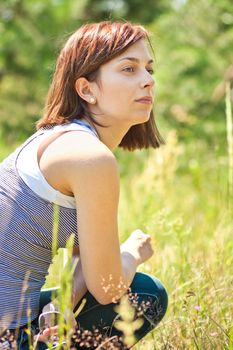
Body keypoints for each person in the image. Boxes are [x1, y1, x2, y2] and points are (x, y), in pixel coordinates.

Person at [0, 21, 168, 349]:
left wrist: (62, 303)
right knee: (146, 294)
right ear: (86, 89)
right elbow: (106, 286)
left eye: (148, 68)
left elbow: (85, 263)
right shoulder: (89, 157)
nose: (148, 80)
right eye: (129, 69)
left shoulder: (59, 140)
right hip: (6, 336)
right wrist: (133, 252)